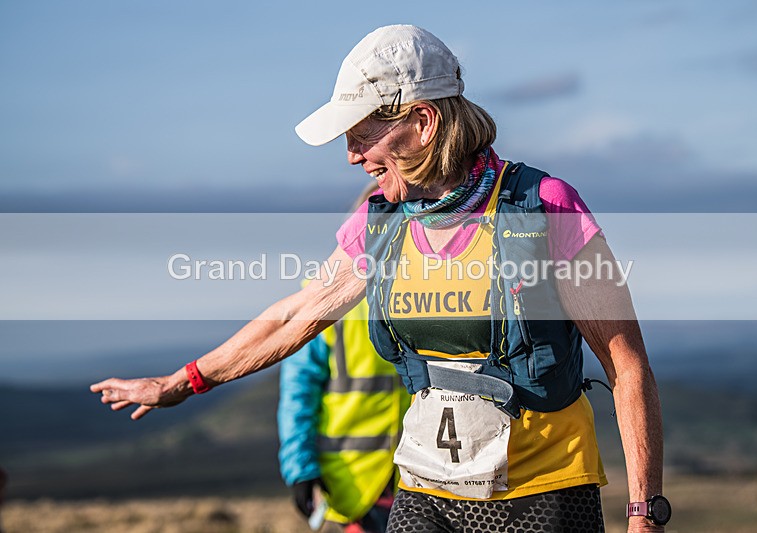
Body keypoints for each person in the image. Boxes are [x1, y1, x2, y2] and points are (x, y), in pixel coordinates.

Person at [91, 25, 667, 532]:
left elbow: (626, 365)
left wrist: (644, 512)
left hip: (544, 494)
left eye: (362, 134)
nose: (350, 156)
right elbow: (297, 314)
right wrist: (184, 382)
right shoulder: (378, 224)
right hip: (423, 491)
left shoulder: (544, 206)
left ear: (421, 122)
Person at [278, 184, 411, 533]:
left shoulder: (431, 295)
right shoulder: (321, 298)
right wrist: (300, 468)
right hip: (355, 484)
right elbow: (298, 390)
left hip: (429, 476)